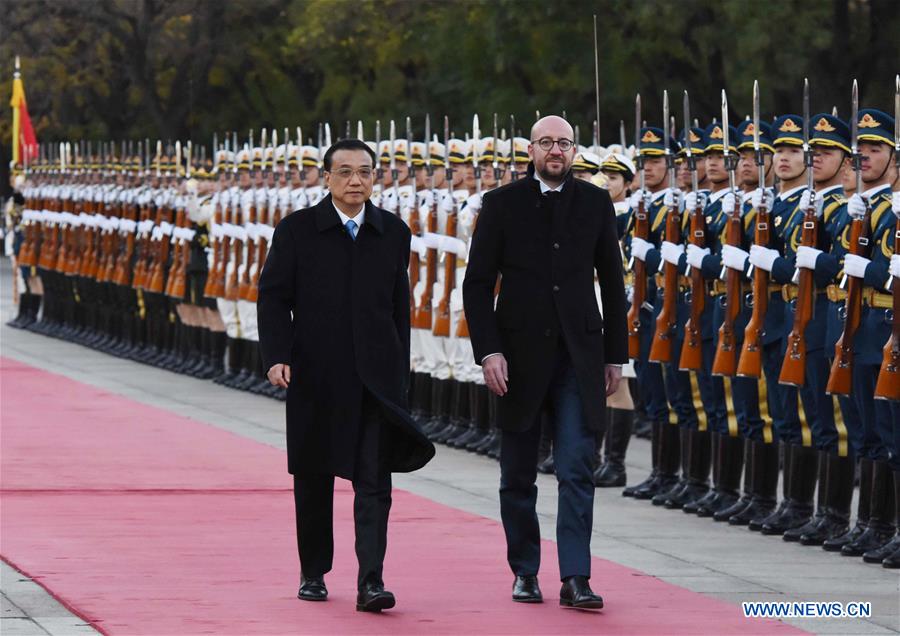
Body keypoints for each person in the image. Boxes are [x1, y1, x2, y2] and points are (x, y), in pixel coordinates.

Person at [257, 138, 434, 612]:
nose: (356, 181)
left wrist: (401, 373)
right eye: (346, 172)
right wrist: (276, 354)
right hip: (315, 373)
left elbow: (400, 308)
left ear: (375, 178)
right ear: (327, 177)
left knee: (375, 481)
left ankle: (371, 580)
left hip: (376, 378)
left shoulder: (393, 232)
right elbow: (273, 296)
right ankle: (313, 571)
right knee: (313, 474)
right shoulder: (297, 231)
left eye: (365, 172)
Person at [463, 115, 627, 609]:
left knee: (578, 465)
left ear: (575, 151)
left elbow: (613, 285)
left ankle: (576, 576)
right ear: (530, 150)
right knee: (517, 473)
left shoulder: (596, 202)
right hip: (518, 359)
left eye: (565, 143)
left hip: (579, 358)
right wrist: (488, 351)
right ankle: (525, 571)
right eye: (546, 143)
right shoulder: (501, 204)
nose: (556, 150)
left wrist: (615, 356)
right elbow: (476, 284)